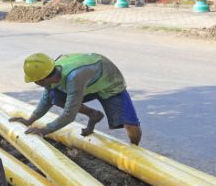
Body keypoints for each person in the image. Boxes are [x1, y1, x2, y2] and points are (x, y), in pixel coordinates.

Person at [10, 53, 143, 145]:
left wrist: (43, 131)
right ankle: (93, 114)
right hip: (88, 83)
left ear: (41, 80)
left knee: (130, 124)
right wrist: (29, 121)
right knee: (54, 96)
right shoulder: (50, 72)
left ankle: (135, 150)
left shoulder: (74, 78)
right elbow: (46, 99)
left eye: (34, 81)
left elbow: (69, 115)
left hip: (109, 84)